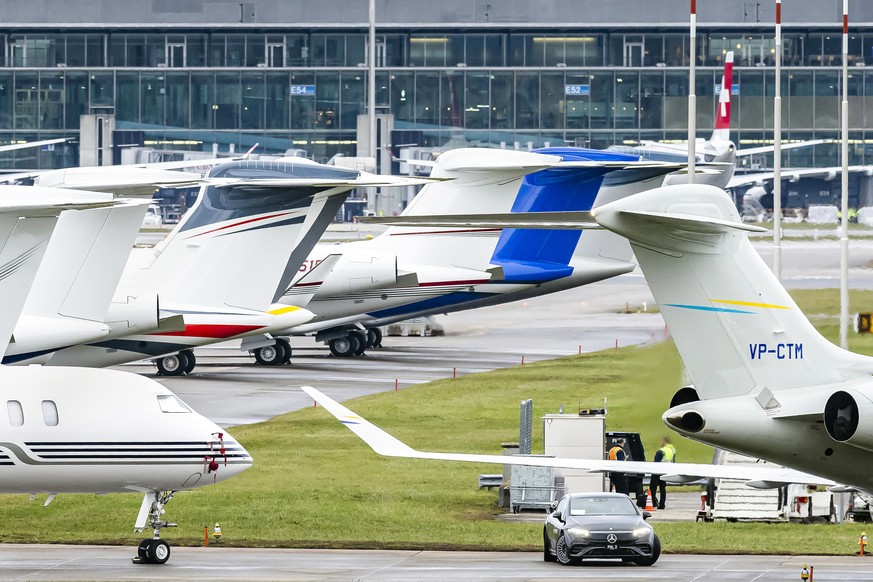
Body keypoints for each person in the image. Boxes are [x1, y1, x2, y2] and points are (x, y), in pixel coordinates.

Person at [650, 436, 676, 509]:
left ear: (664, 441)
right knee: (662, 488)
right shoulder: (672, 450)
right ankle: (662, 504)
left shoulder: (661, 451)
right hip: (665, 471)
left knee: (653, 487)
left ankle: (653, 503)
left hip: (657, 471)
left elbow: (656, 462)